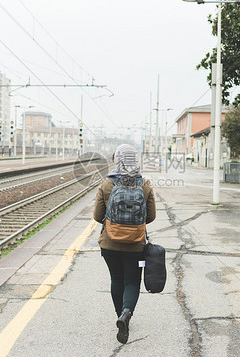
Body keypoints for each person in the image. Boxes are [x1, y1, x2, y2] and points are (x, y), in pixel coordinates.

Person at [93, 144, 156, 344]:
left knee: (116, 279)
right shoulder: (145, 184)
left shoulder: (106, 184)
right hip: (136, 245)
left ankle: (120, 314)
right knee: (132, 281)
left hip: (109, 244)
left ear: (117, 159)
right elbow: (151, 217)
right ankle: (126, 314)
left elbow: (97, 216)